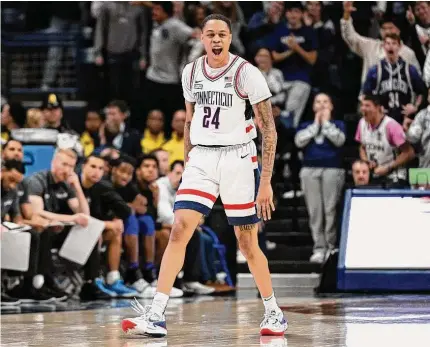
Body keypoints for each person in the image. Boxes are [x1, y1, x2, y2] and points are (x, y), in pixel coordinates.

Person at [122, 14, 287, 337]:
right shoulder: (192, 71)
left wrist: (265, 181)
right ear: (201, 38)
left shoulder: (246, 73)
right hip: (202, 157)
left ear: (229, 38)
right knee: (180, 228)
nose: (215, 40)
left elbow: (269, 130)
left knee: (246, 241)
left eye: (221, 34)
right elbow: (188, 121)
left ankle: (273, 311)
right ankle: (156, 314)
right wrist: (187, 164)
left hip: (238, 157)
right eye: (210, 34)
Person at [294, 93, 346, 264]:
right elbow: (299, 142)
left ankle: (331, 247)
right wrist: (316, 124)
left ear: (331, 106)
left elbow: (339, 141)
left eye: (326, 101)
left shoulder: (339, 124)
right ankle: (319, 247)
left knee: (330, 210)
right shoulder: (305, 125)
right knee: (315, 212)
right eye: (318, 102)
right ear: (313, 106)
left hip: (332, 169)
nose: (322, 105)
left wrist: (326, 124)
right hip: (309, 170)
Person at [79, 154, 139, 299]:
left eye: (100, 168)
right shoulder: (74, 185)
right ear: (83, 167)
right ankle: (95, 279)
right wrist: (107, 224)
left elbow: (125, 210)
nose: (96, 171)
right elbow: (81, 219)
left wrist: (114, 220)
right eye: (93, 167)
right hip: (70, 232)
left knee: (115, 232)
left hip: (92, 231)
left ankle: (113, 278)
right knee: (96, 231)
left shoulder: (102, 188)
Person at [362, 33, 427, 126]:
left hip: (404, 119)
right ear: (383, 46)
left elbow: (422, 92)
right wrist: (375, 108)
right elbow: (366, 94)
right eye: (388, 43)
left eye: (393, 43)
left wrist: (415, 107)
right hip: (382, 119)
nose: (390, 46)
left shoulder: (409, 69)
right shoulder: (375, 70)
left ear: (399, 46)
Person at [355, 94, 415, 187]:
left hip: (394, 177)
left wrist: (388, 167)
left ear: (378, 108)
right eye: (362, 105)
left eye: (367, 105)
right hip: (375, 175)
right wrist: (367, 161)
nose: (363, 108)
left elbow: (409, 153)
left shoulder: (391, 126)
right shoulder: (362, 123)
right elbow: (362, 147)